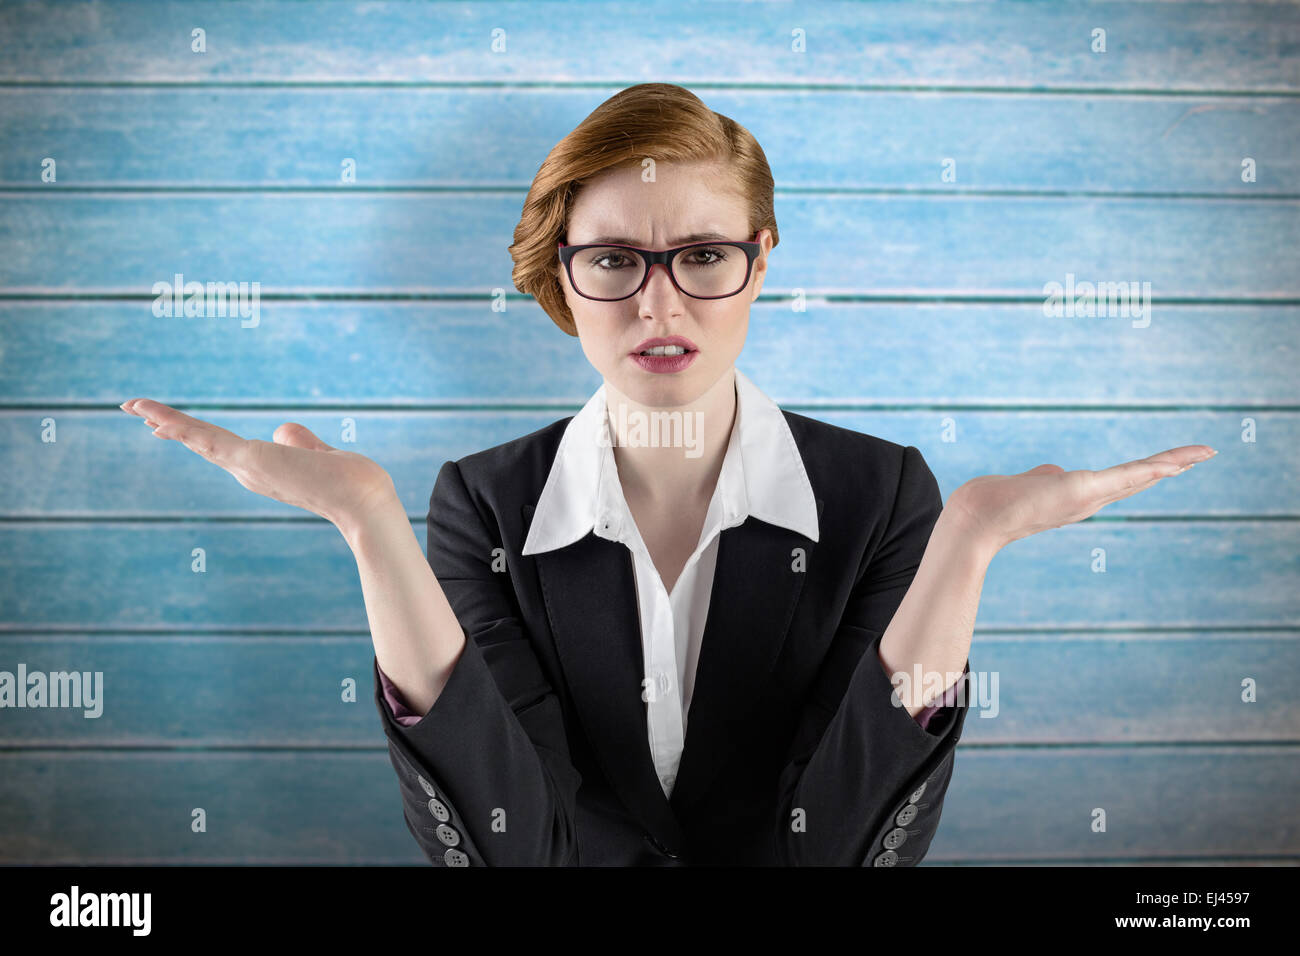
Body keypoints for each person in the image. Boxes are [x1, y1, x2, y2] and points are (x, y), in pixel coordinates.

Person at [120, 83, 1215, 866]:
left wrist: (967, 539)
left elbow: (835, 846)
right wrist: (369, 524)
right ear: (564, 274)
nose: (659, 304)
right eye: (614, 261)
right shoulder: (483, 504)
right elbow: (521, 847)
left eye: (701, 255)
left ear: (760, 259)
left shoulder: (884, 497)